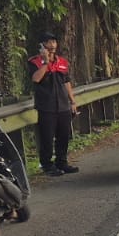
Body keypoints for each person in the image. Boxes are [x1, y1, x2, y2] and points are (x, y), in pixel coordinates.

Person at [27, 30, 79, 176]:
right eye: (49, 42)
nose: (52, 45)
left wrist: (72, 101)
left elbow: (67, 82)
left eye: (54, 42)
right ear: (42, 45)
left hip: (63, 105)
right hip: (46, 106)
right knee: (47, 138)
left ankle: (62, 162)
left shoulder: (62, 62)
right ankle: (47, 165)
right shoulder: (34, 62)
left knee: (63, 136)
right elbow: (36, 79)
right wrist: (45, 62)